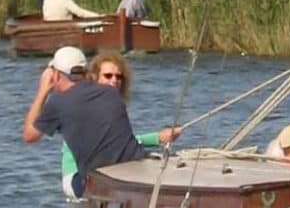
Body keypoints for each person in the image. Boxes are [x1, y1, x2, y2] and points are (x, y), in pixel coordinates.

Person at [23, 46, 178, 196]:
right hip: (133, 165)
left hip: (98, 178)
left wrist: (42, 90)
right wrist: (156, 138)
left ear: (55, 75)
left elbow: (29, 136)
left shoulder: (58, 102)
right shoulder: (112, 93)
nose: (114, 80)